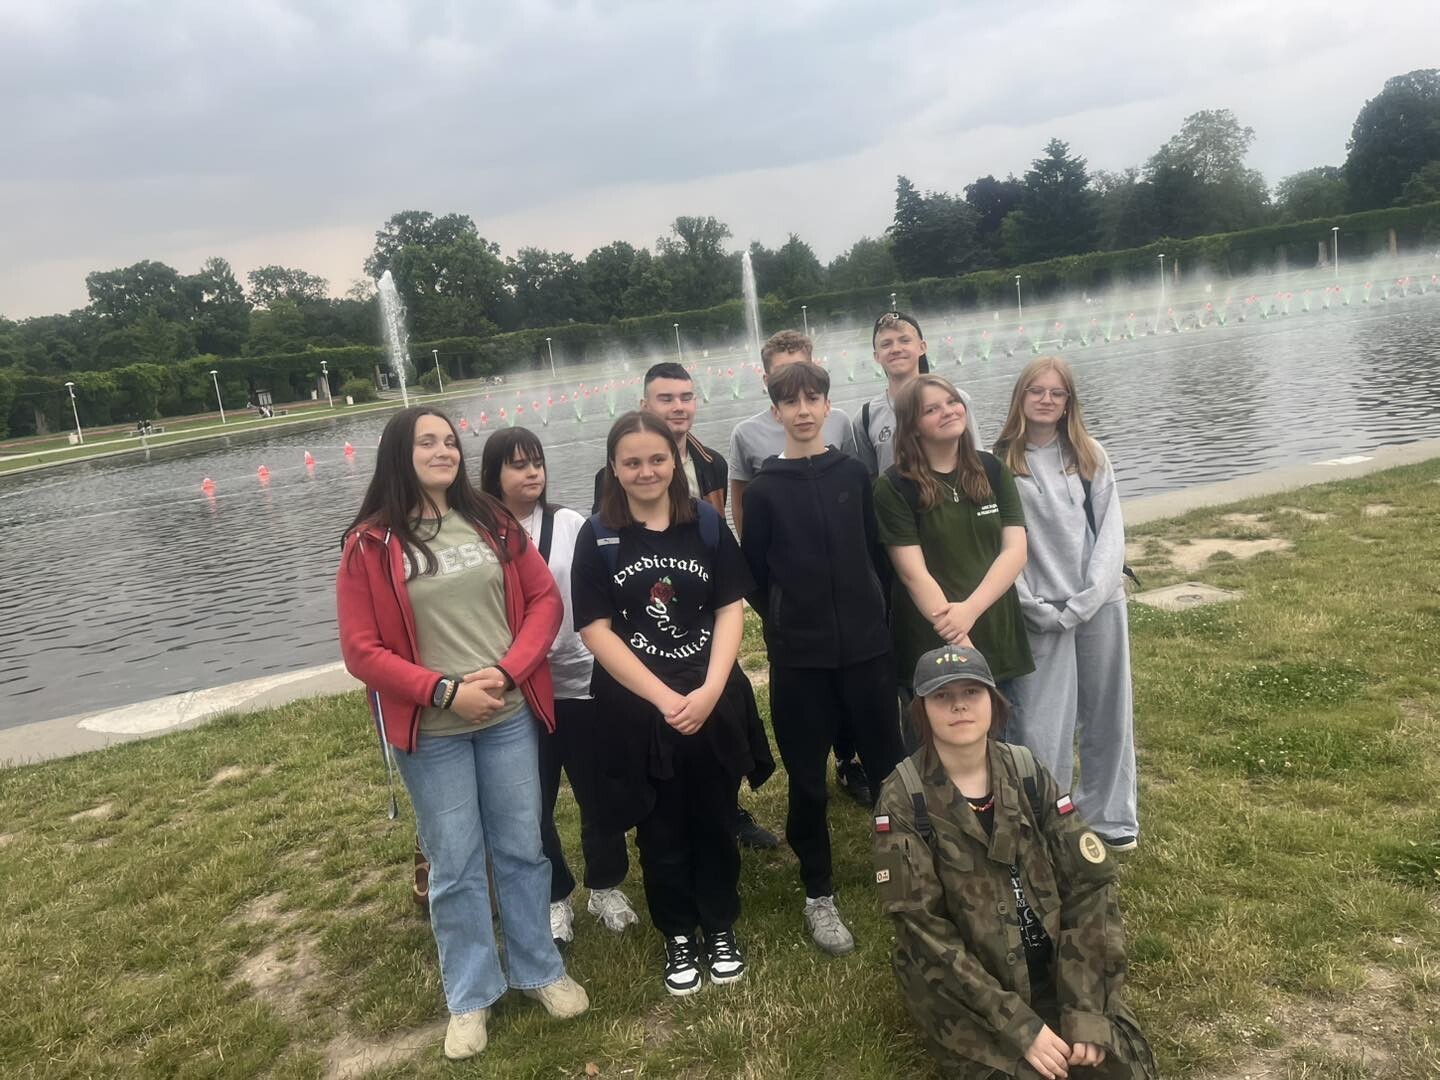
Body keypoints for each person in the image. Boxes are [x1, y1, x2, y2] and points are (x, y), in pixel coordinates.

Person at [335, 406, 588, 1061]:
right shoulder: (370, 544)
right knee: (455, 866)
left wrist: (506, 673)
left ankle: (539, 969)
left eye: (450, 441)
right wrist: (445, 691)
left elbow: (544, 601)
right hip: (434, 730)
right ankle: (471, 995)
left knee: (523, 849)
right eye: (428, 442)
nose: (444, 450)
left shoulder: (490, 520)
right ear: (400, 453)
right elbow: (361, 650)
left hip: (507, 718)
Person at [872, 644, 1157, 1080]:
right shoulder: (903, 799)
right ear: (921, 711)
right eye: (942, 696)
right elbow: (924, 933)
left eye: (971, 692)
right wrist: (1020, 1027)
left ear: (994, 700)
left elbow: (1090, 886)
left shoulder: (1026, 772)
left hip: (1054, 965)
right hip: (969, 991)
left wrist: (1084, 1009)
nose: (959, 705)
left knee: (1116, 1066)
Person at [572, 411, 774, 997]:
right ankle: (679, 933)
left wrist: (709, 690)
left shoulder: (704, 522)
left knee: (715, 817)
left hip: (709, 698)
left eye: (657, 459)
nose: (646, 471)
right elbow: (595, 629)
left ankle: (720, 926)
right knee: (658, 828)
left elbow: (730, 606)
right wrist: (664, 698)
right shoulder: (599, 536)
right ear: (614, 468)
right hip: (638, 708)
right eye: (632, 461)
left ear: (675, 460)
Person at [739, 361, 905, 956]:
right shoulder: (763, 491)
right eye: (791, 402)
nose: (804, 410)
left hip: (867, 650)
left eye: (813, 398)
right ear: (776, 411)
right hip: (801, 661)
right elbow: (754, 575)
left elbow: (877, 554)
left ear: (828, 405)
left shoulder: (854, 475)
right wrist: (788, 623)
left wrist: (872, 613)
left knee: (889, 768)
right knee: (807, 781)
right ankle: (819, 893)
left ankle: (903, 871)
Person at [479, 426, 641, 944]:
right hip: (524, 689)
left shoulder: (571, 524)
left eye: (537, 462)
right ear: (494, 474)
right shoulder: (478, 533)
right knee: (533, 801)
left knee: (599, 792)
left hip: (585, 679)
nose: (532, 473)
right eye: (517, 464)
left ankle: (606, 885)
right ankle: (554, 894)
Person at [993, 357, 1139, 851]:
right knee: (1038, 723)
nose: (1047, 400)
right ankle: (1045, 819)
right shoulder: (997, 462)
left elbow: (1111, 535)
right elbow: (998, 542)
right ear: (1021, 395)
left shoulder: (1089, 454)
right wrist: (1028, 602)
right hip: (1036, 610)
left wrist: (1089, 599)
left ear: (1068, 401)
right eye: (1037, 390)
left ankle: (1109, 816)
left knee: (1106, 713)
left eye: (1057, 393)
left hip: (1098, 606)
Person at [728, 329, 868, 807]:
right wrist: (777, 604)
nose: (802, 406)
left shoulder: (843, 433)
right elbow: (745, 514)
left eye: (809, 389)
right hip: (794, 605)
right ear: (770, 389)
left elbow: (859, 511)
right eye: (786, 387)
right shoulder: (748, 438)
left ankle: (851, 759)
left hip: (852, 610)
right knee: (806, 717)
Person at [873, 374, 1033, 744]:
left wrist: (970, 611)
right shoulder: (894, 486)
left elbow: (1015, 551)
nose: (948, 411)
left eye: (951, 402)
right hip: (931, 642)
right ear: (913, 425)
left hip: (996, 633)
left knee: (1004, 748)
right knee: (936, 753)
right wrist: (960, 636)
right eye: (932, 409)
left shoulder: (992, 469)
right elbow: (913, 574)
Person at [853, 310, 984, 477]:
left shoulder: (955, 401)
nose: (896, 349)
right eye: (886, 344)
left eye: (905, 340)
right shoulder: (865, 417)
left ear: (922, 347)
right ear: (876, 356)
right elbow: (870, 480)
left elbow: (977, 458)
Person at [591, 362, 727, 516]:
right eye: (667, 399)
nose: (679, 407)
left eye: (686, 398)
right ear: (645, 407)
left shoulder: (713, 464)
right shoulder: (616, 476)